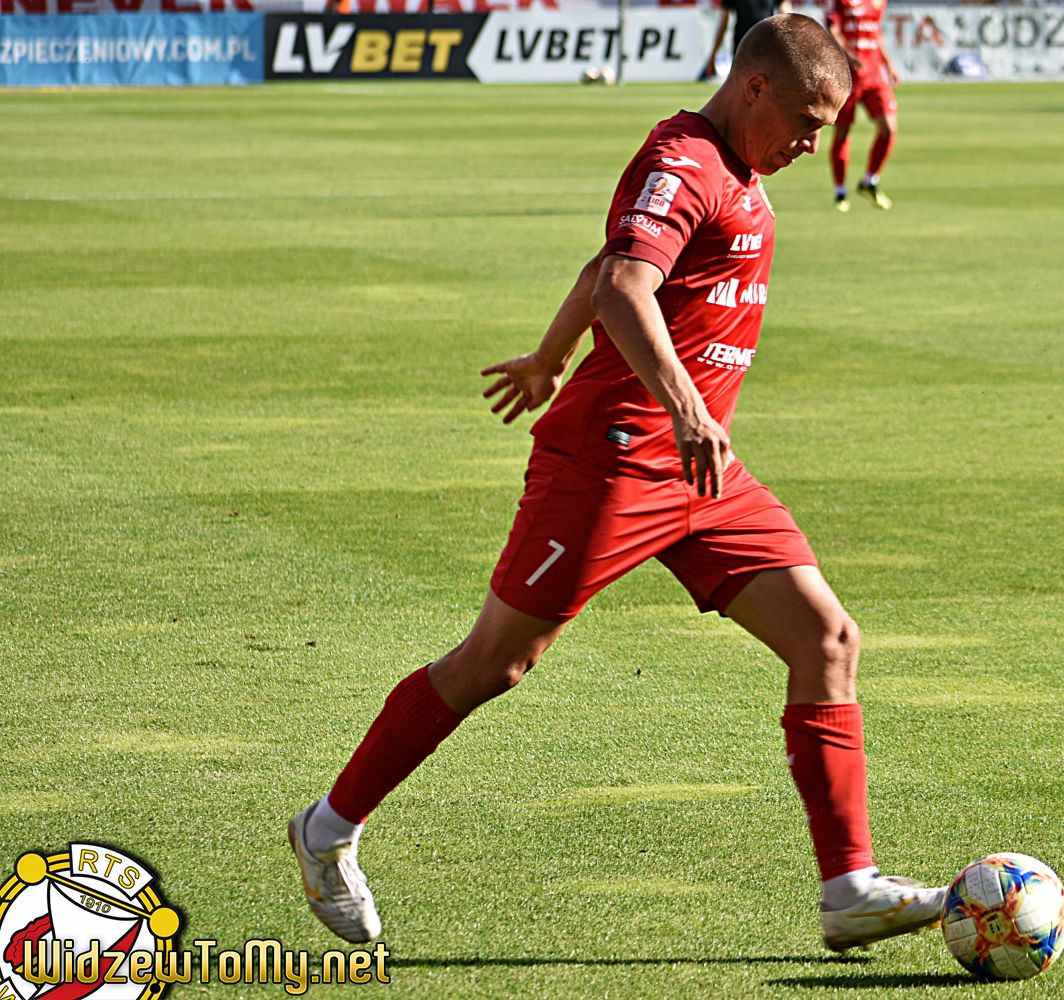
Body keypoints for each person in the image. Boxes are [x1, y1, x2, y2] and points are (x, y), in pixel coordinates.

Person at [287, 13, 944, 956]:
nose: (812, 142)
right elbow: (626, 286)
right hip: (614, 460)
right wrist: (684, 408)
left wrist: (549, 357)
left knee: (829, 638)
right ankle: (327, 830)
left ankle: (848, 890)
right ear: (754, 86)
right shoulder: (685, 160)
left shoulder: (739, 169)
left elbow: (607, 266)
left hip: (700, 472)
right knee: (493, 665)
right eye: (807, 121)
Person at [825, 0, 899, 211]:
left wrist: (888, 65)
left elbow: (876, 34)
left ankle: (869, 181)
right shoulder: (843, 2)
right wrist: (848, 55)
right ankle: (840, 192)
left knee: (889, 128)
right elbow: (833, 29)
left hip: (874, 74)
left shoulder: (878, 2)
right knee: (843, 132)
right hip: (849, 75)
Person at [698, 0, 790, 81]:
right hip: (744, 47)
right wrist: (713, 56)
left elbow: (785, 18)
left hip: (762, 46)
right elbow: (723, 24)